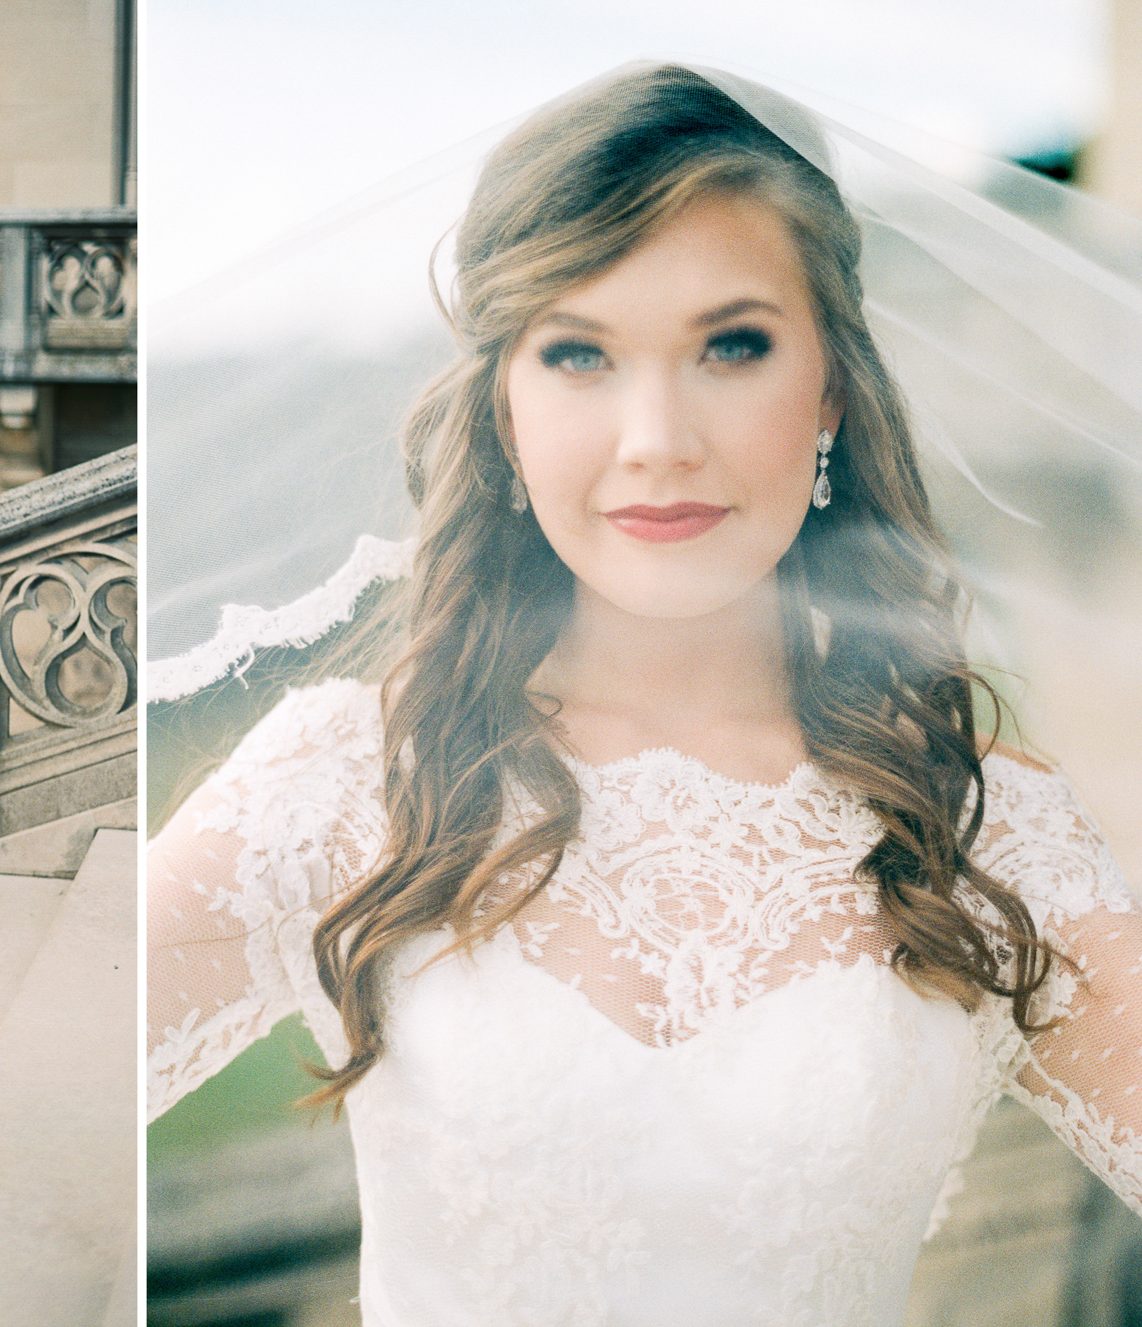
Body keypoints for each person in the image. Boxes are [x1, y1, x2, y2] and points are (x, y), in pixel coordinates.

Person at [146, 65, 1142, 1322]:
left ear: (828, 382)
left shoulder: (984, 830)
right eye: (579, 353)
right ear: (505, 407)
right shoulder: (348, 781)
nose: (655, 435)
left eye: (731, 345)